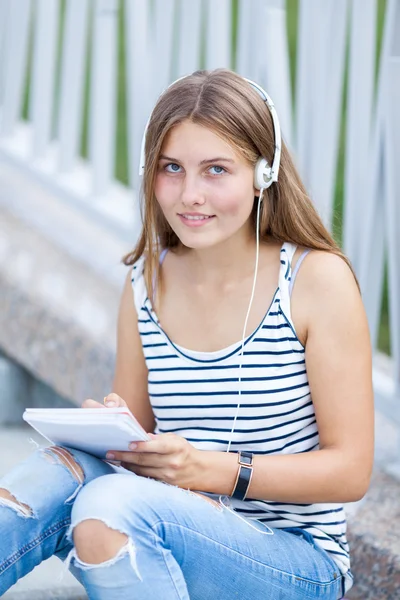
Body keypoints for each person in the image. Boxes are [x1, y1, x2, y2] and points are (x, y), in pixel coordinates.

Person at [0, 68, 374, 600]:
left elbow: (351, 471)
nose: (190, 194)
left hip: (296, 563)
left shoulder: (316, 280)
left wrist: (212, 470)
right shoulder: (145, 281)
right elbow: (134, 441)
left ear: (262, 175)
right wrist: (109, 431)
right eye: (171, 168)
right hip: (171, 526)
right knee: (59, 473)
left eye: (215, 170)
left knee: (113, 508)